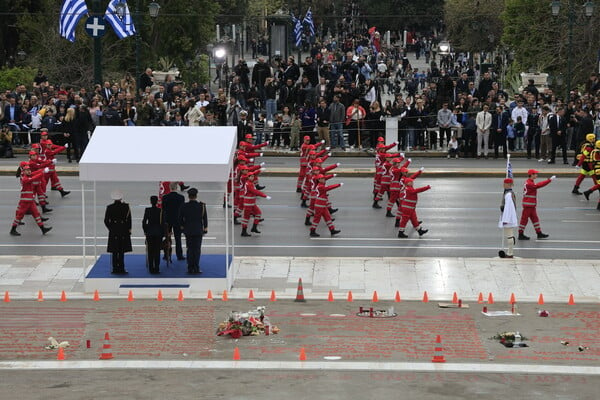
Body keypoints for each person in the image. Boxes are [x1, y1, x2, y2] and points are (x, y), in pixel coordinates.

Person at [10, 162, 52, 236]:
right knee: (19, 215)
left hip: (30, 200)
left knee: (36, 214)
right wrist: (43, 173)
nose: (29, 171)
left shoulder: (27, 176)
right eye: (27, 170)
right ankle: (13, 229)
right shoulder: (25, 179)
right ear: (23, 171)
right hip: (25, 201)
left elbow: (34, 173)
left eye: (29, 169)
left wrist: (42, 170)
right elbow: (34, 178)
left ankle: (43, 229)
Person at [178, 188, 208, 274]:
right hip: (198, 230)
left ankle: (190, 267)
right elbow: (204, 218)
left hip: (188, 230)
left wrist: (183, 227)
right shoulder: (201, 206)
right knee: (197, 249)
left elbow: (180, 218)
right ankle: (196, 267)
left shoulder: (184, 206)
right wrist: (205, 228)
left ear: (188, 196)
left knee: (190, 249)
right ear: (196, 196)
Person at [518, 169, 555, 240]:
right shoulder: (530, 183)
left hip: (531, 205)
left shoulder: (530, 182)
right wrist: (549, 180)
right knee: (524, 220)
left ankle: (539, 233)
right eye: (535, 174)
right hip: (528, 205)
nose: (536, 175)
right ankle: (520, 234)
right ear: (531, 175)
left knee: (535, 219)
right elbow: (538, 185)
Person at [104, 190, 132, 274]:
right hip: (123, 230)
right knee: (121, 250)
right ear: (121, 198)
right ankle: (122, 268)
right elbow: (129, 220)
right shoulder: (126, 206)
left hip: (114, 231)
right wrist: (128, 229)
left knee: (114, 250)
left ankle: (115, 268)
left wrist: (111, 228)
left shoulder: (109, 207)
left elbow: (106, 220)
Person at [162, 182, 186, 261]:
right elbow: (182, 210)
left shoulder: (165, 197)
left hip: (168, 221)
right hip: (177, 220)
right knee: (178, 238)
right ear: (176, 188)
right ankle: (179, 255)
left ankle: (166, 254)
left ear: (169, 188)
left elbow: (163, 210)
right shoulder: (181, 197)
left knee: (167, 238)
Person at [142, 195, 165, 274]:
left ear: (150, 202)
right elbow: (163, 224)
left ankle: (151, 268)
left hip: (150, 233)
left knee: (150, 251)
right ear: (157, 202)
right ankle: (157, 268)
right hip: (158, 233)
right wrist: (162, 233)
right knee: (157, 251)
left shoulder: (147, 210)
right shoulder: (160, 211)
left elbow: (144, 222)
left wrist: (146, 231)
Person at [498, 178, 518, 258]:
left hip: (508, 217)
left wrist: (505, 219)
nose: (503, 185)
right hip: (509, 217)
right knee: (510, 234)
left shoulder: (508, 194)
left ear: (508, 184)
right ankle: (510, 251)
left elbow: (508, 208)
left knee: (509, 235)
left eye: (504, 183)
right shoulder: (509, 193)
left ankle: (510, 253)